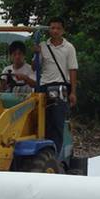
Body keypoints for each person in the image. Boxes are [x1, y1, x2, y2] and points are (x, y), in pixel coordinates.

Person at [33, 18, 78, 156]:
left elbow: (73, 70)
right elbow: (35, 67)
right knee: (41, 121)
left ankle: (55, 155)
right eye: (52, 28)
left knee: (57, 121)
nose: (55, 31)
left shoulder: (68, 47)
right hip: (43, 86)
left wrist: (73, 92)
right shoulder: (43, 45)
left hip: (59, 87)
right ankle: (43, 151)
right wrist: (36, 54)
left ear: (62, 30)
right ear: (49, 30)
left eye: (58, 28)